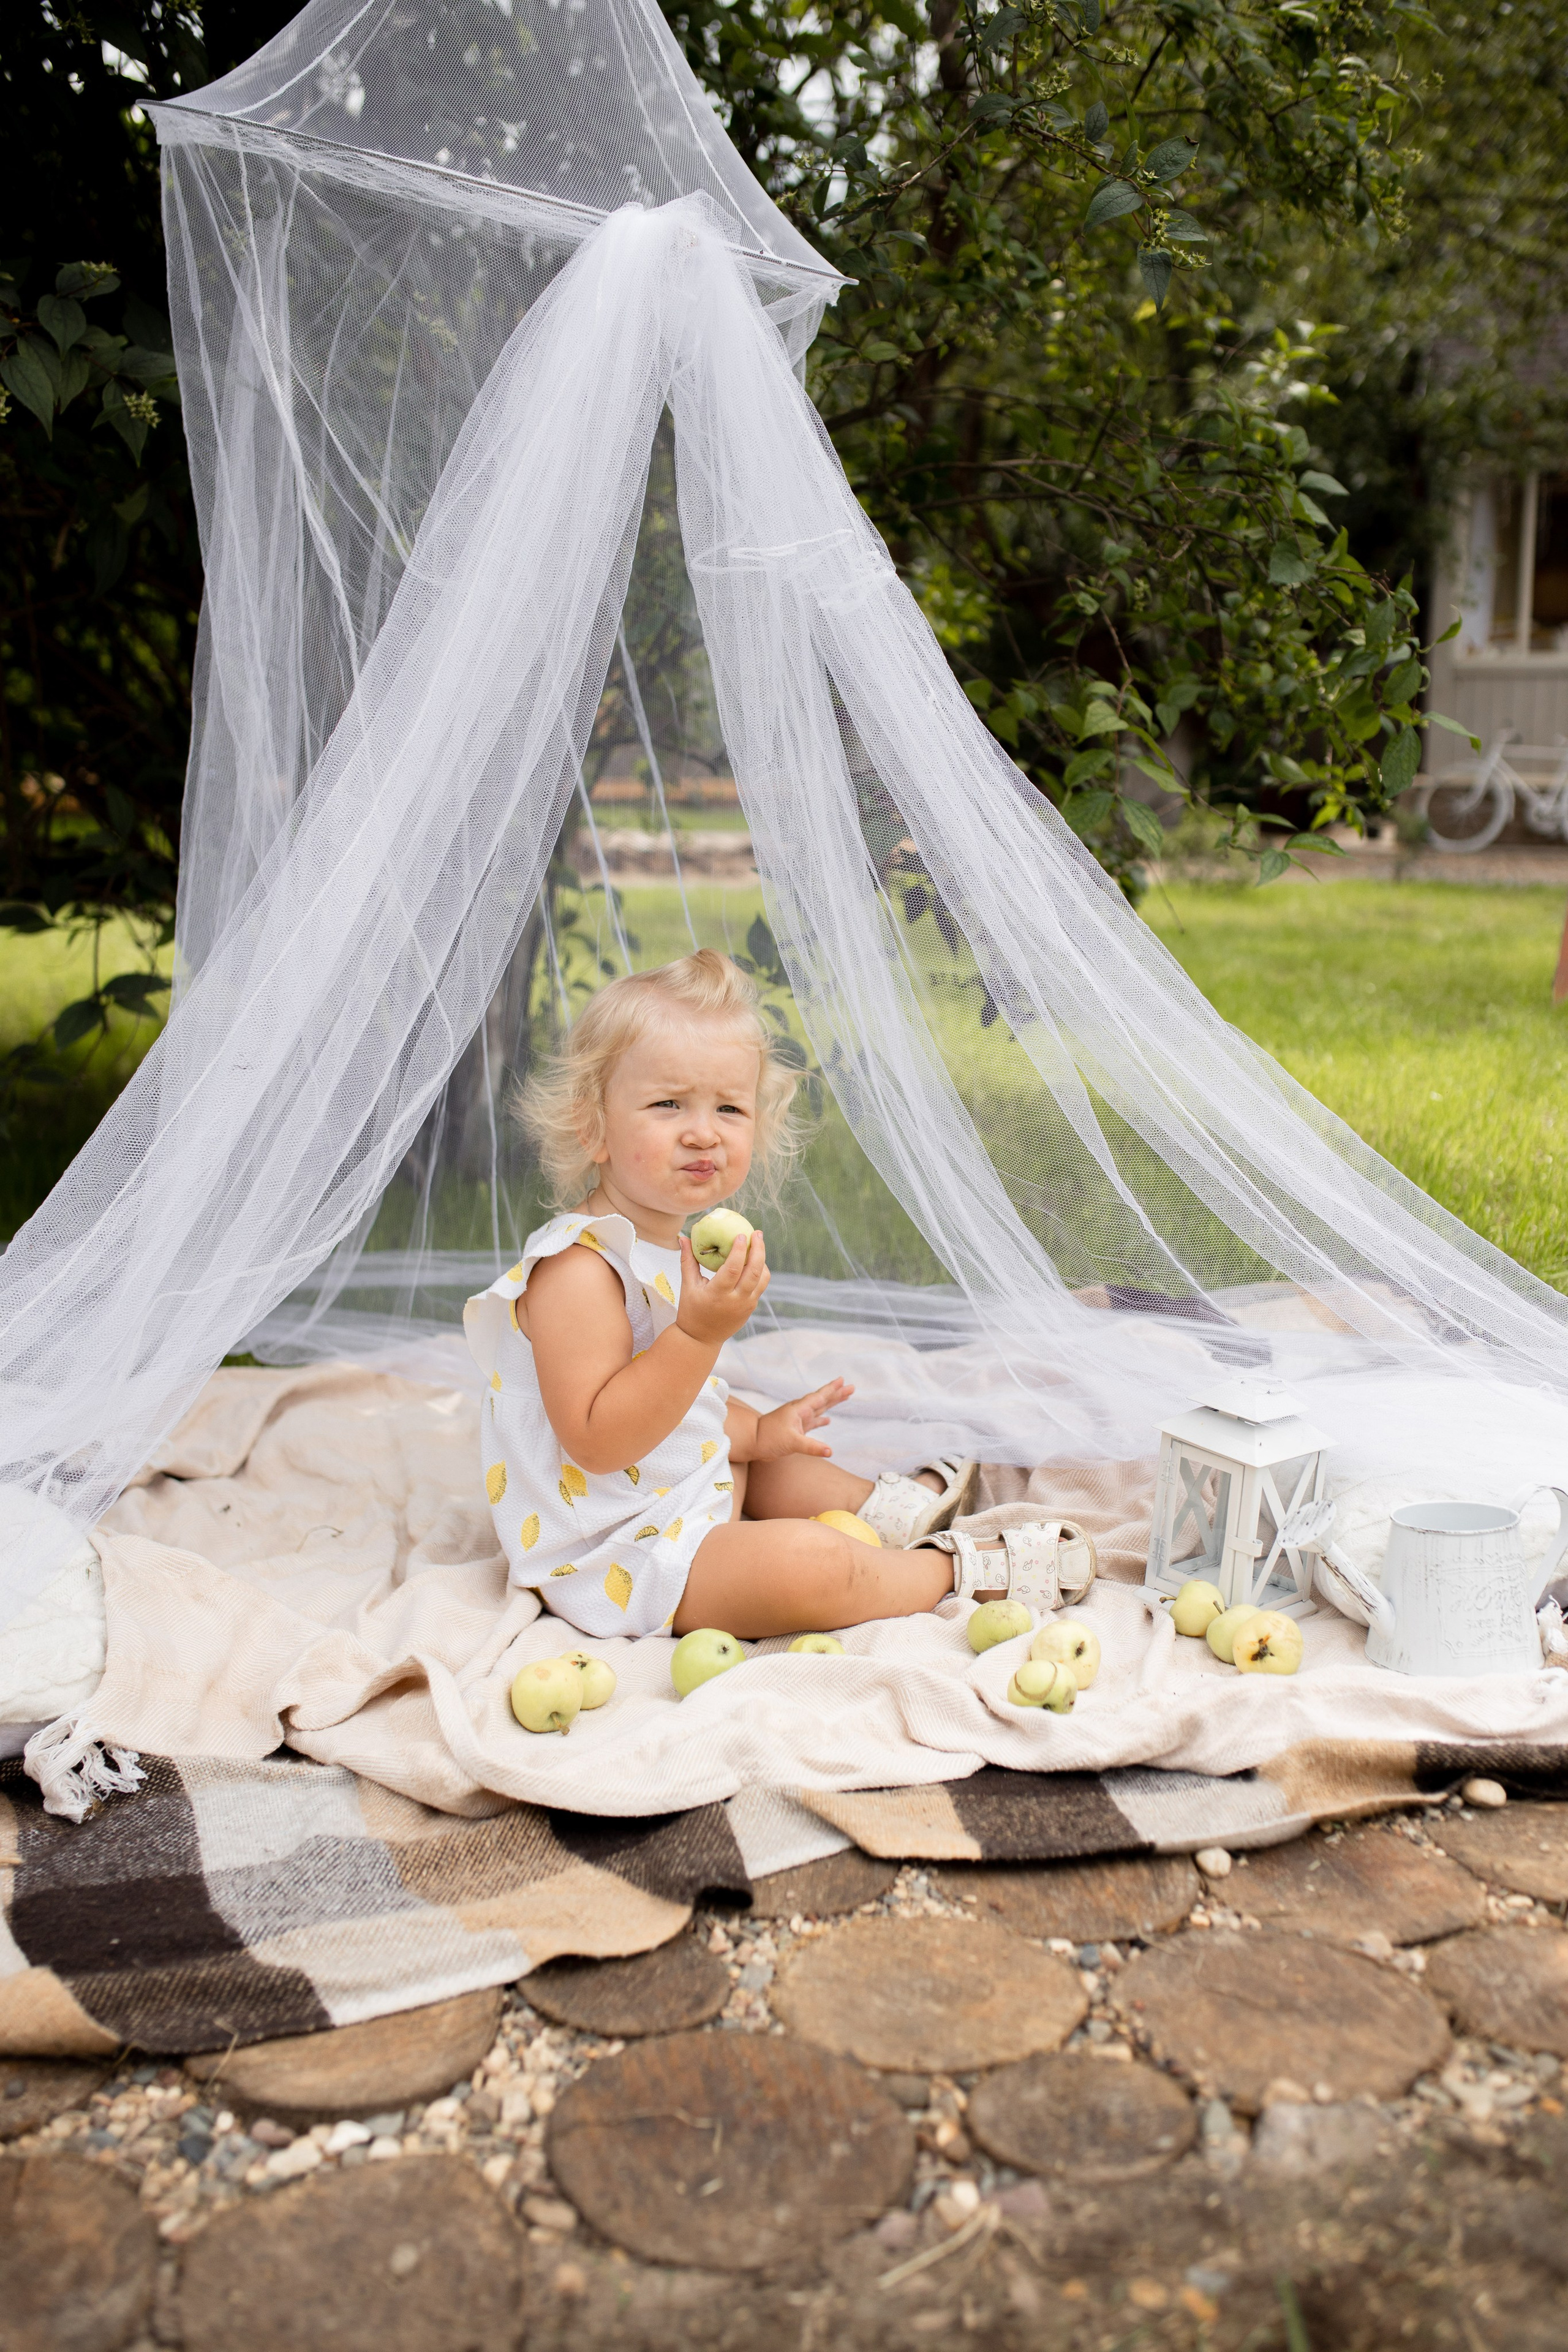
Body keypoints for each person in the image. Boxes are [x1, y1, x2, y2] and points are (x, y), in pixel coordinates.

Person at [463, 951, 1078, 1638]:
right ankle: (951, 1572)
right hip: (625, 1552)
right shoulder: (575, 1271)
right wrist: (697, 1337)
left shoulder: (668, 1243)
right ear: (593, 1128)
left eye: (728, 1107)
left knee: (777, 1461)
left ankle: (880, 1513)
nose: (702, 1130)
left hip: (684, 1495)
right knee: (810, 1567)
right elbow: (600, 1441)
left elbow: (677, 1403)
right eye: (668, 1104)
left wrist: (754, 1432)